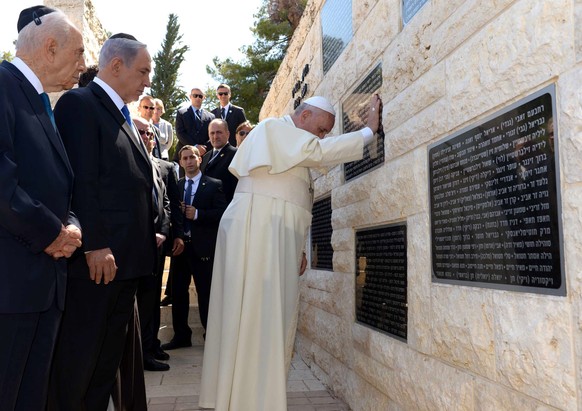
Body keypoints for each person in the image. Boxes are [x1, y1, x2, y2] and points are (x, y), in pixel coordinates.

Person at [199, 94, 382, 411]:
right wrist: (369, 131)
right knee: (258, 313)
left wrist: (298, 246)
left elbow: (292, 199)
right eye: (322, 129)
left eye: (325, 132)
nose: (321, 136)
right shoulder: (275, 128)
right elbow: (318, 153)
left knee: (268, 315)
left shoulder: (289, 141)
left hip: (270, 232)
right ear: (306, 115)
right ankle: (249, 400)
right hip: (259, 229)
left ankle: (252, 397)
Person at [48, 33, 157, 411]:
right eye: (142, 71)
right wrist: (94, 243)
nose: (147, 81)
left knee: (104, 368)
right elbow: (80, 180)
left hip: (123, 265)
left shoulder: (123, 115)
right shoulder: (80, 105)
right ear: (115, 66)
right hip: (98, 264)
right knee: (79, 364)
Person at [0, 6, 84, 410]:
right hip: (12, 286)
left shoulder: (38, 100)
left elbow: (55, 183)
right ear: (50, 48)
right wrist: (51, 233)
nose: (84, 67)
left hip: (43, 287)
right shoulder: (2, 86)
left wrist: (70, 224)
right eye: (80, 53)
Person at [162, 145, 228, 350]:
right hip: (180, 248)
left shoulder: (214, 184)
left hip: (204, 248)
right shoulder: (176, 186)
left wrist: (197, 214)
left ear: (200, 159)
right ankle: (181, 336)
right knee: (179, 294)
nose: (189, 161)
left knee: (206, 293)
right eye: (185, 158)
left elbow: (222, 212)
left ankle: (212, 335)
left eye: (193, 157)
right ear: (180, 162)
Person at [133, 116, 172, 372]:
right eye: (142, 133)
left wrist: (163, 232)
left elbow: (165, 203)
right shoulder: (128, 162)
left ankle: (148, 349)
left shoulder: (157, 165)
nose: (148, 138)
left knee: (149, 302)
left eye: (150, 134)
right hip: (134, 247)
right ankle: (139, 353)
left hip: (155, 247)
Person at [200, 119, 239, 202]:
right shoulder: (206, 157)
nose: (215, 136)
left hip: (226, 208)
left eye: (219, 132)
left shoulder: (235, 154)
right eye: (212, 133)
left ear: (228, 134)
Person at [175, 87, 215, 164]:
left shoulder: (211, 116)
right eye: (195, 95)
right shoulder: (181, 113)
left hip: (204, 156)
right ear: (190, 97)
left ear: (204, 98)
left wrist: (204, 148)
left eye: (200, 96)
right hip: (185, 155)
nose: (198, 98)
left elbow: (212, 134)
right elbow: (180, 133)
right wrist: (195, 146)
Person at [137, 94, 162, 159]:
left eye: (151, 108)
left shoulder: (156, 130)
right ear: (139, 108)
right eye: (145, 107)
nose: (148, 110)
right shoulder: (134, 127)